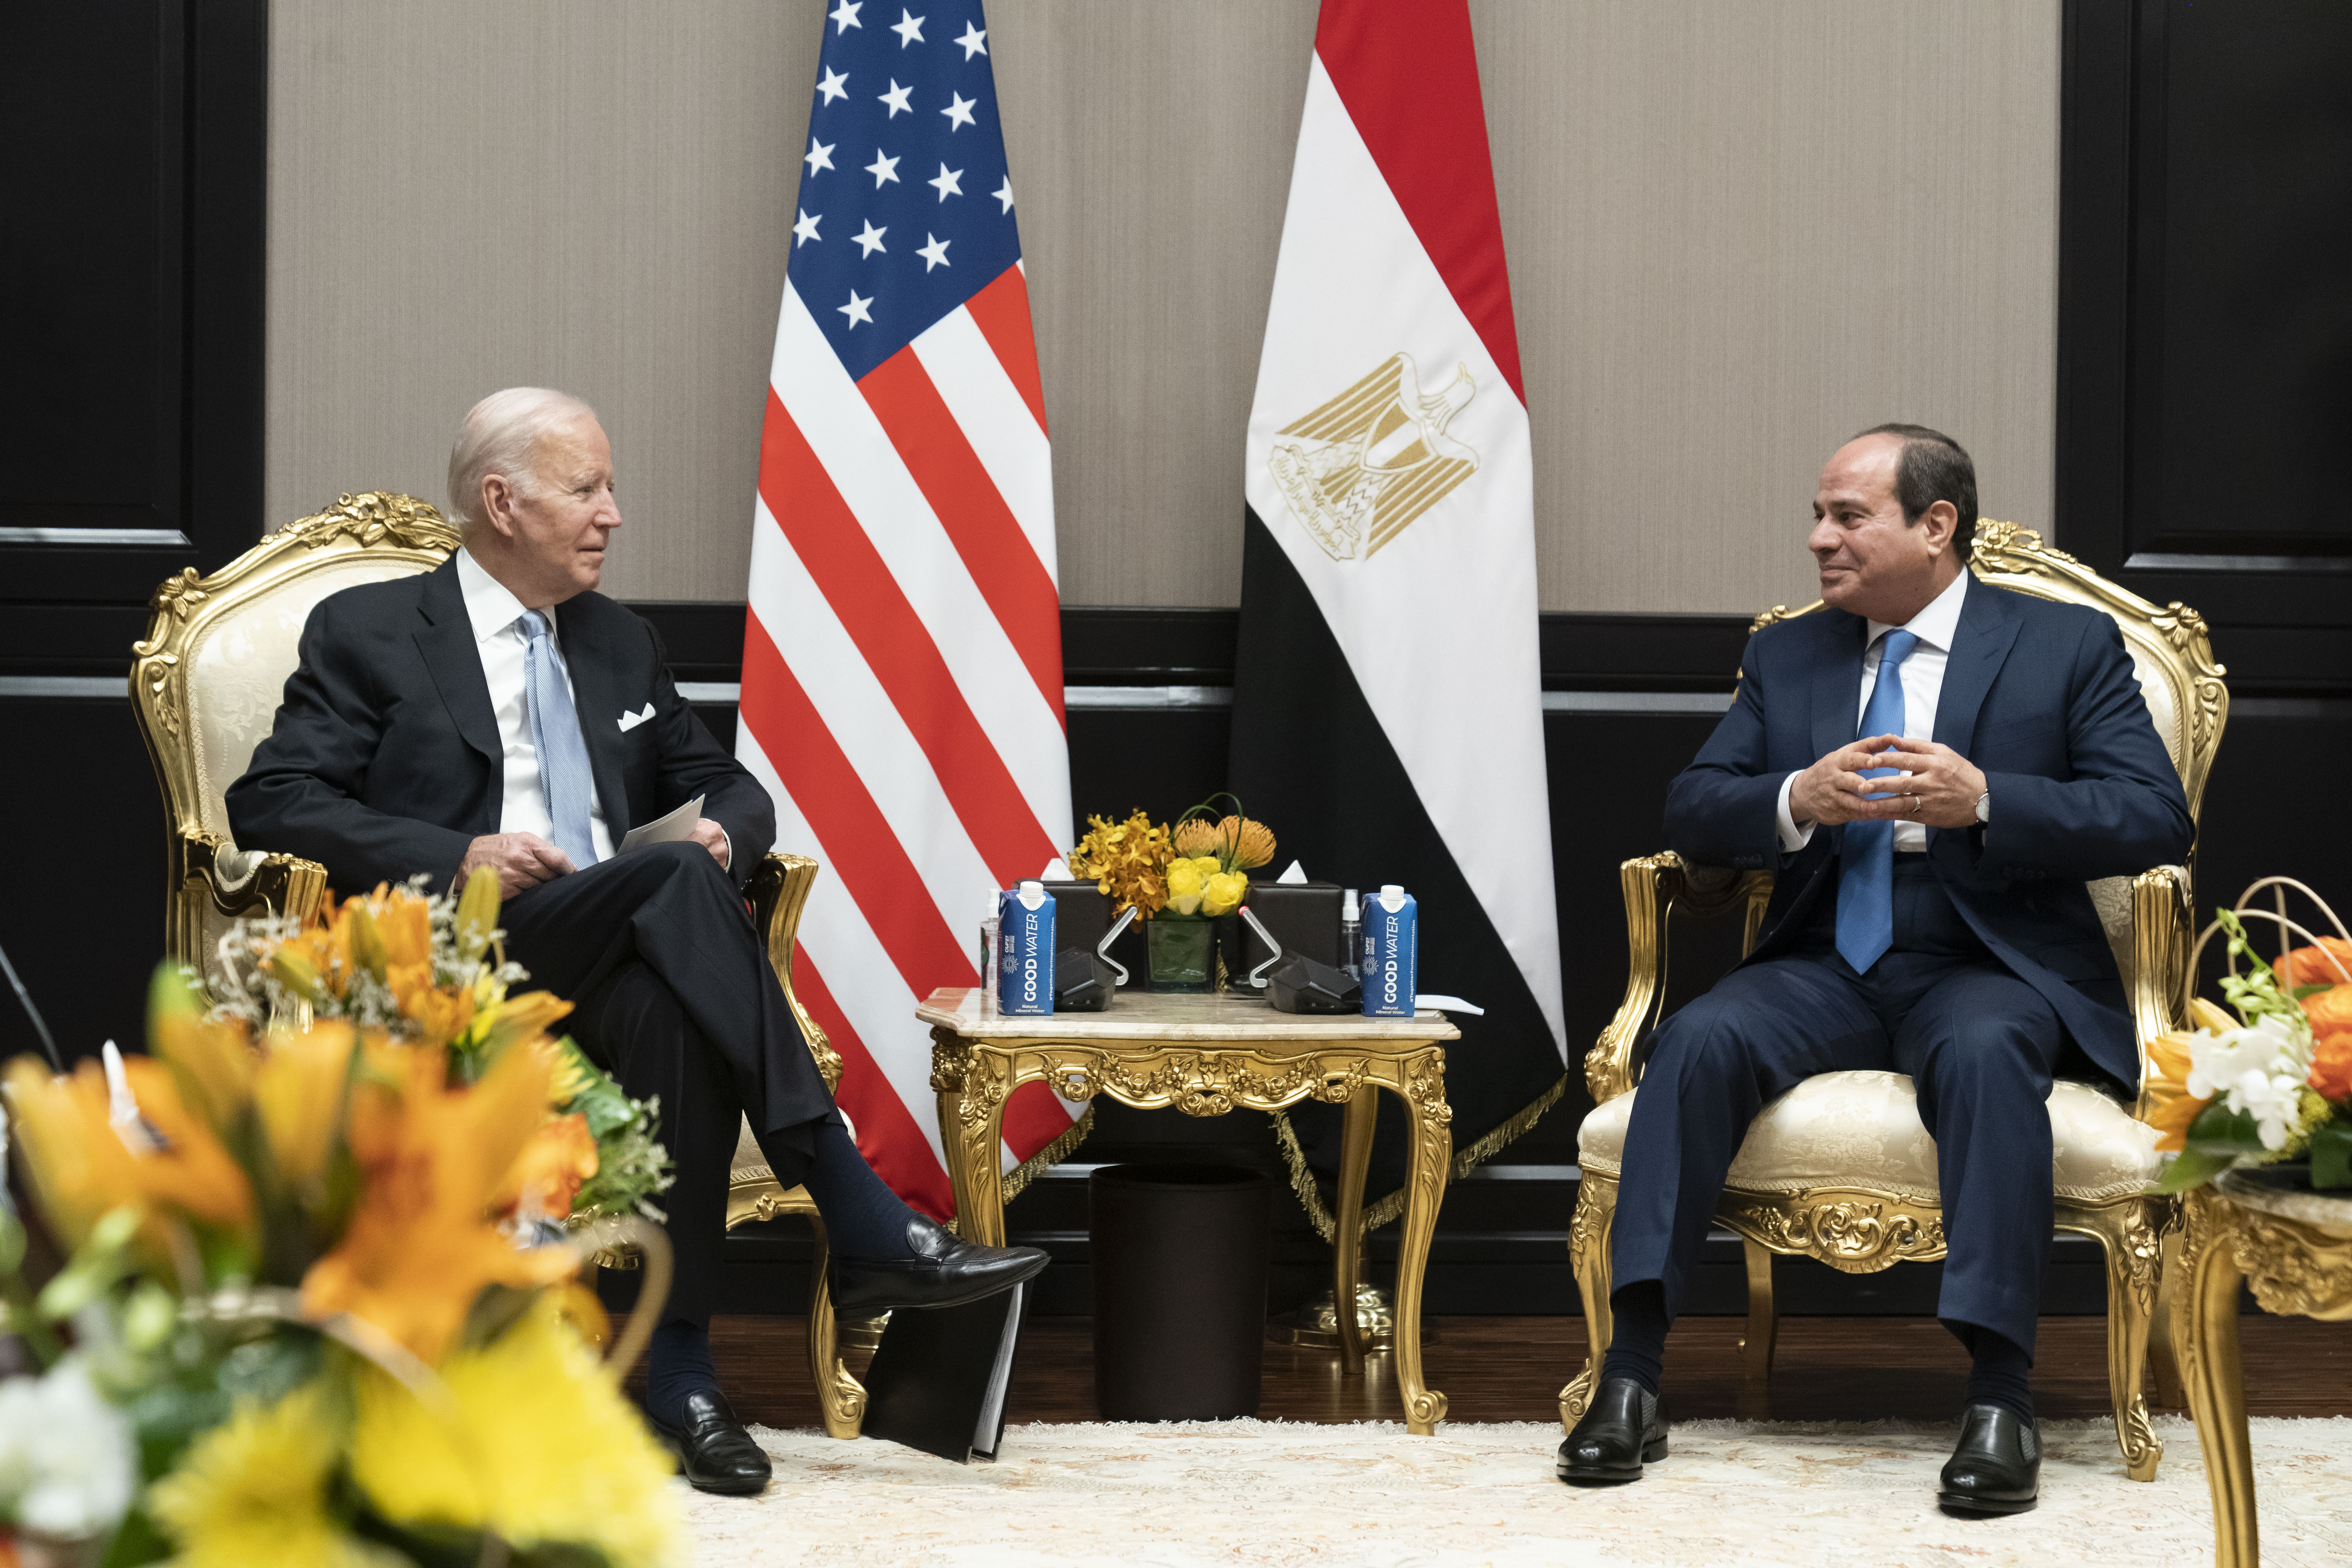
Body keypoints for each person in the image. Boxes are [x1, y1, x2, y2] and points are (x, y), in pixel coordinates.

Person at [227, 387, 1047, 1495]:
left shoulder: (620, 643)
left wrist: (721, 829)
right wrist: (458, 849)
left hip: (616, 946)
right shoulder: (371, 631)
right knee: (665, 891)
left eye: (611, 488)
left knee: (677, 989)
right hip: (460, 952)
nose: (613, 513)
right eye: (588, 489)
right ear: (502, 502)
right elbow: (271, 800)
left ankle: (684, 1380)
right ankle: (856, 1217)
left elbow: (727, 783)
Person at [1555, 426, 2191, 1513]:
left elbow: (2151, 815)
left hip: (1983, 952)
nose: (1818, 540)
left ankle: (2001, 1398)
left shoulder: (2067, 647)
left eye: (1848, 518)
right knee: (1699, 1039)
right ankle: (1631, 1378)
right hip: (1822, 959)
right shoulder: (1791, 654)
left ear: (1936, 527)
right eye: (1819, 515)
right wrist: (1795, 797)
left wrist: (1987, 798)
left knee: (1992, 1054)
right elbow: (1693, 805)